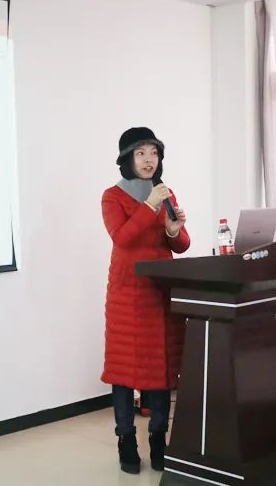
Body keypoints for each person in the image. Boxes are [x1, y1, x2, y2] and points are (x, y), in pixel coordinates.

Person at [101, 127, 190, 474]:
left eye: (154, 152)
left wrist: (173, 229)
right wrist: (150, 205)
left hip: (160, 291)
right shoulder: (112, 196)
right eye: (141, 153)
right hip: (127, 293)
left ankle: (158, 438)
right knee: (123, 370)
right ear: (127, 159)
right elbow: (122, 238)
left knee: (161, 368)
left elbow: (181, 244)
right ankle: (126, 439)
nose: (149, 159)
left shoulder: (165, 191)